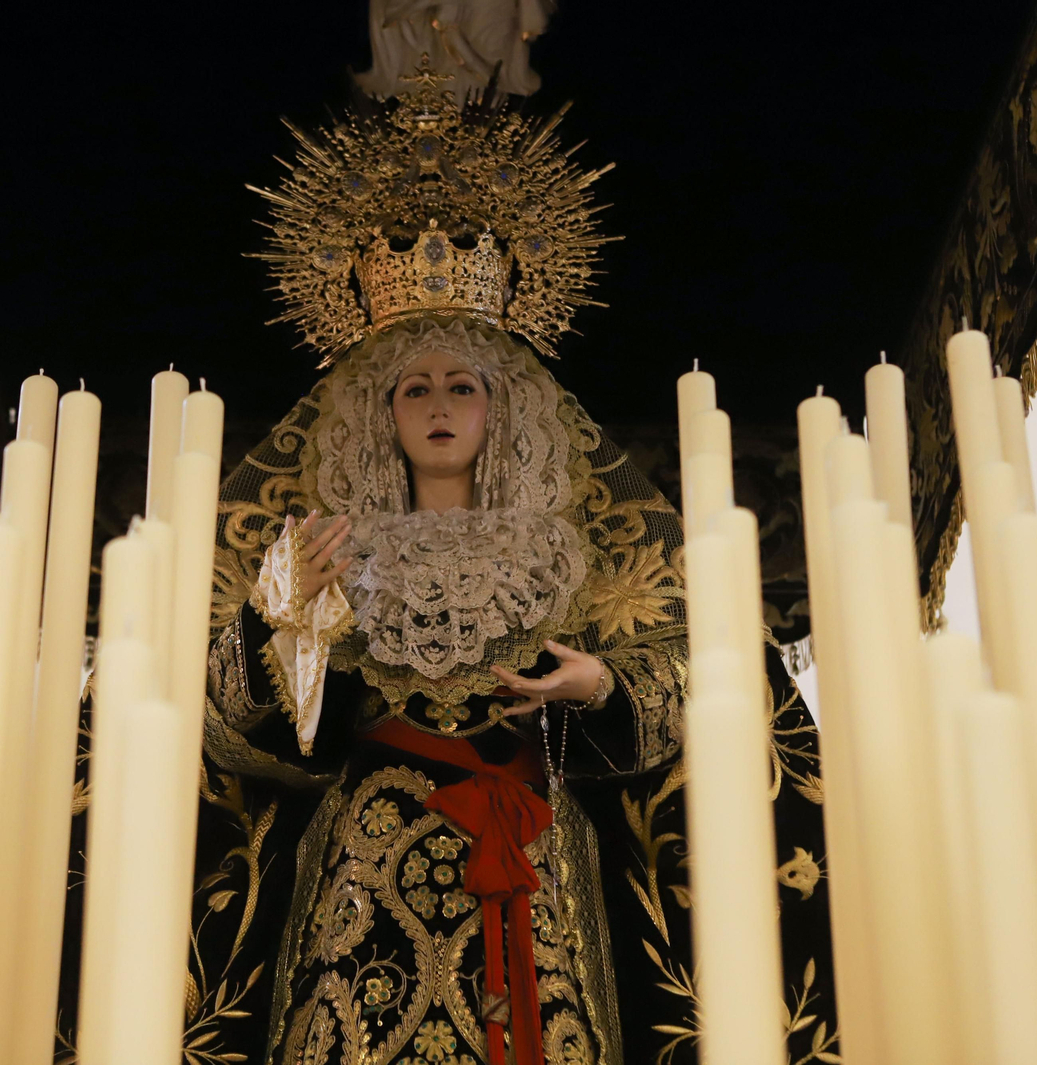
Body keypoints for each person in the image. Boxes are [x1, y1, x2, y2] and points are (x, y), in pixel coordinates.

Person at [180, 64, 837, 1065]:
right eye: (413, 390)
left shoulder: (573, 549)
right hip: (365, 864)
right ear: (379, 411)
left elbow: (689, 675)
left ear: (500, 409)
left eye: (462, 387)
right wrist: (278, 625)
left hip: (533, 857)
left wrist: (601, 688)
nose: (439, 407)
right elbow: (233, 736)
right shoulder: (319, 550)